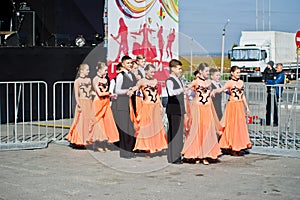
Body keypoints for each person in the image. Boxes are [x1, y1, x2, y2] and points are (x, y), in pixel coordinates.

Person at [182, 63, 222, 165]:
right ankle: (197, 154)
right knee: (198, 130)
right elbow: (186, 89)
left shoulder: (209, 82)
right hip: (198, 108)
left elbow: (217, 88)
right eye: (206, 71)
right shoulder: (196, 81)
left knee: (207, 131)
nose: (208, 73)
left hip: (207, 108)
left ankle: (206, 155)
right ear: (200, 71)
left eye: (208, 71)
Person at [213, 65, 252, 156]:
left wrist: (247, 107)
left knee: (239, 126)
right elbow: (222, 89)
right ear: (232, 73)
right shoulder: (229, 82)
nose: (239, 74)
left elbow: (243, 96)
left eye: (239, 72)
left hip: (239, 106)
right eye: (237, 72)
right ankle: (232, 147)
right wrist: (214, 91)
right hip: (232, 106)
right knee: (232, 126)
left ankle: (239, 146)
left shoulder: (241, 82)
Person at [133, 64, 168, 154]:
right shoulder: (141, 81)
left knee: (156, 127)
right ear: (146, 71)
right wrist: (130, 90)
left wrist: (160, 105)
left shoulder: (155, 81)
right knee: (147, 127)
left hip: (155, 106)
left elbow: (157, 94)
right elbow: (136, 90)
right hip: (147, 106)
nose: (153, 74)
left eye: (154, 72)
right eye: (151, 72)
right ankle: (147, 147)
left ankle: (156, 146)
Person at [88, 62, 119, 151]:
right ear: (99, 70)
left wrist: (111, 95)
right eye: (105, 70)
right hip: (99, 102)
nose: (106, 72)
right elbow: (100, 93)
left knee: (107, 122)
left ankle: (104, 143)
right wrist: (110, 94)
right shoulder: (95, 79)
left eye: (106, 71)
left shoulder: (105, 80)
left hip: (106, 102)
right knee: (99, 123)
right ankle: (97, 144)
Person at [114, 55, 138, 158]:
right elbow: (117, 90)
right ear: (123, 64)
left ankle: (130, 150)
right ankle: (124, 152)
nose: (130, 65)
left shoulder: (132, 75)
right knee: (124, 128)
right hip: (122, 105)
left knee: (130, 129)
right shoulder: (120, 75)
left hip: (131, 105)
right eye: (128, 63)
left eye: (131, 63)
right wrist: (126, 91)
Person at [66, 64, 93, 147]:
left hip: (89, 102)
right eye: (87, 70)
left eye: (88, 70)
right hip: (82, 102)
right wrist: (78, 104)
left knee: (88, 122)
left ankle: (87, 140)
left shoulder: (89, 80)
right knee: (80, 121)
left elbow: (90, 92)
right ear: (82, 71)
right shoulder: (77, 81)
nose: (88, 71)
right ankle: (79, 140)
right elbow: (76, 94)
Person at [165, 59, 185, 164]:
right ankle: (173, 156)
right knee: (174, 133)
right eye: (179, 68)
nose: (180, 70)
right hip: (173, 109)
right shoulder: (169, 80)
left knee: (179, 133)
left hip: (180, 109)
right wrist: (182, 89)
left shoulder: (179, 79)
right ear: (173, 69)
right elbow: (171, 93)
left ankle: (178, 154)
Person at [263, 61, 277, 126]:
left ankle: (274, 121)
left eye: (268, 64)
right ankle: (268, 121)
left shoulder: (274, 70)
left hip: (273, 90)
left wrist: (271, 81)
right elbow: (264, 75)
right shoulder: (266, 69)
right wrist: (264, 80)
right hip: (269, 88)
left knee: (274, 107)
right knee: (268, 106)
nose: (267, 65)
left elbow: (275, 78)